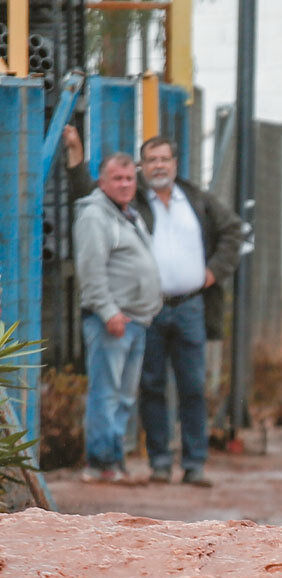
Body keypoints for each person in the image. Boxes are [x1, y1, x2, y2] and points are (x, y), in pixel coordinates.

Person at [64, 127, 245, 487]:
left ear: (175, 163)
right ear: (143, 166)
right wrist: (75, 157)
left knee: (193, 386)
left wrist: (211, 274)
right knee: (151, 386)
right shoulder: (132, 200)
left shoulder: (197, 199)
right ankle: (160, 462)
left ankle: (194, 464)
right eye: (151, 160)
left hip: (191, 305)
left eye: (165, 158)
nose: (158, 165)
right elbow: (91, 195)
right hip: (148, 311)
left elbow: (234, 232)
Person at [74, 153, 163, 483]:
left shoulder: (127, 214)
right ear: (102, 182)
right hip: (112, 321)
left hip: (136, 320)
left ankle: (115, 460)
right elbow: (91, 270)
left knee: (124, 396)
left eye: (129, 179)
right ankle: (99, 463)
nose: (125, 185)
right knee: (106, 393)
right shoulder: (95, 216)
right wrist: (109, 311)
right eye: (118, 179)